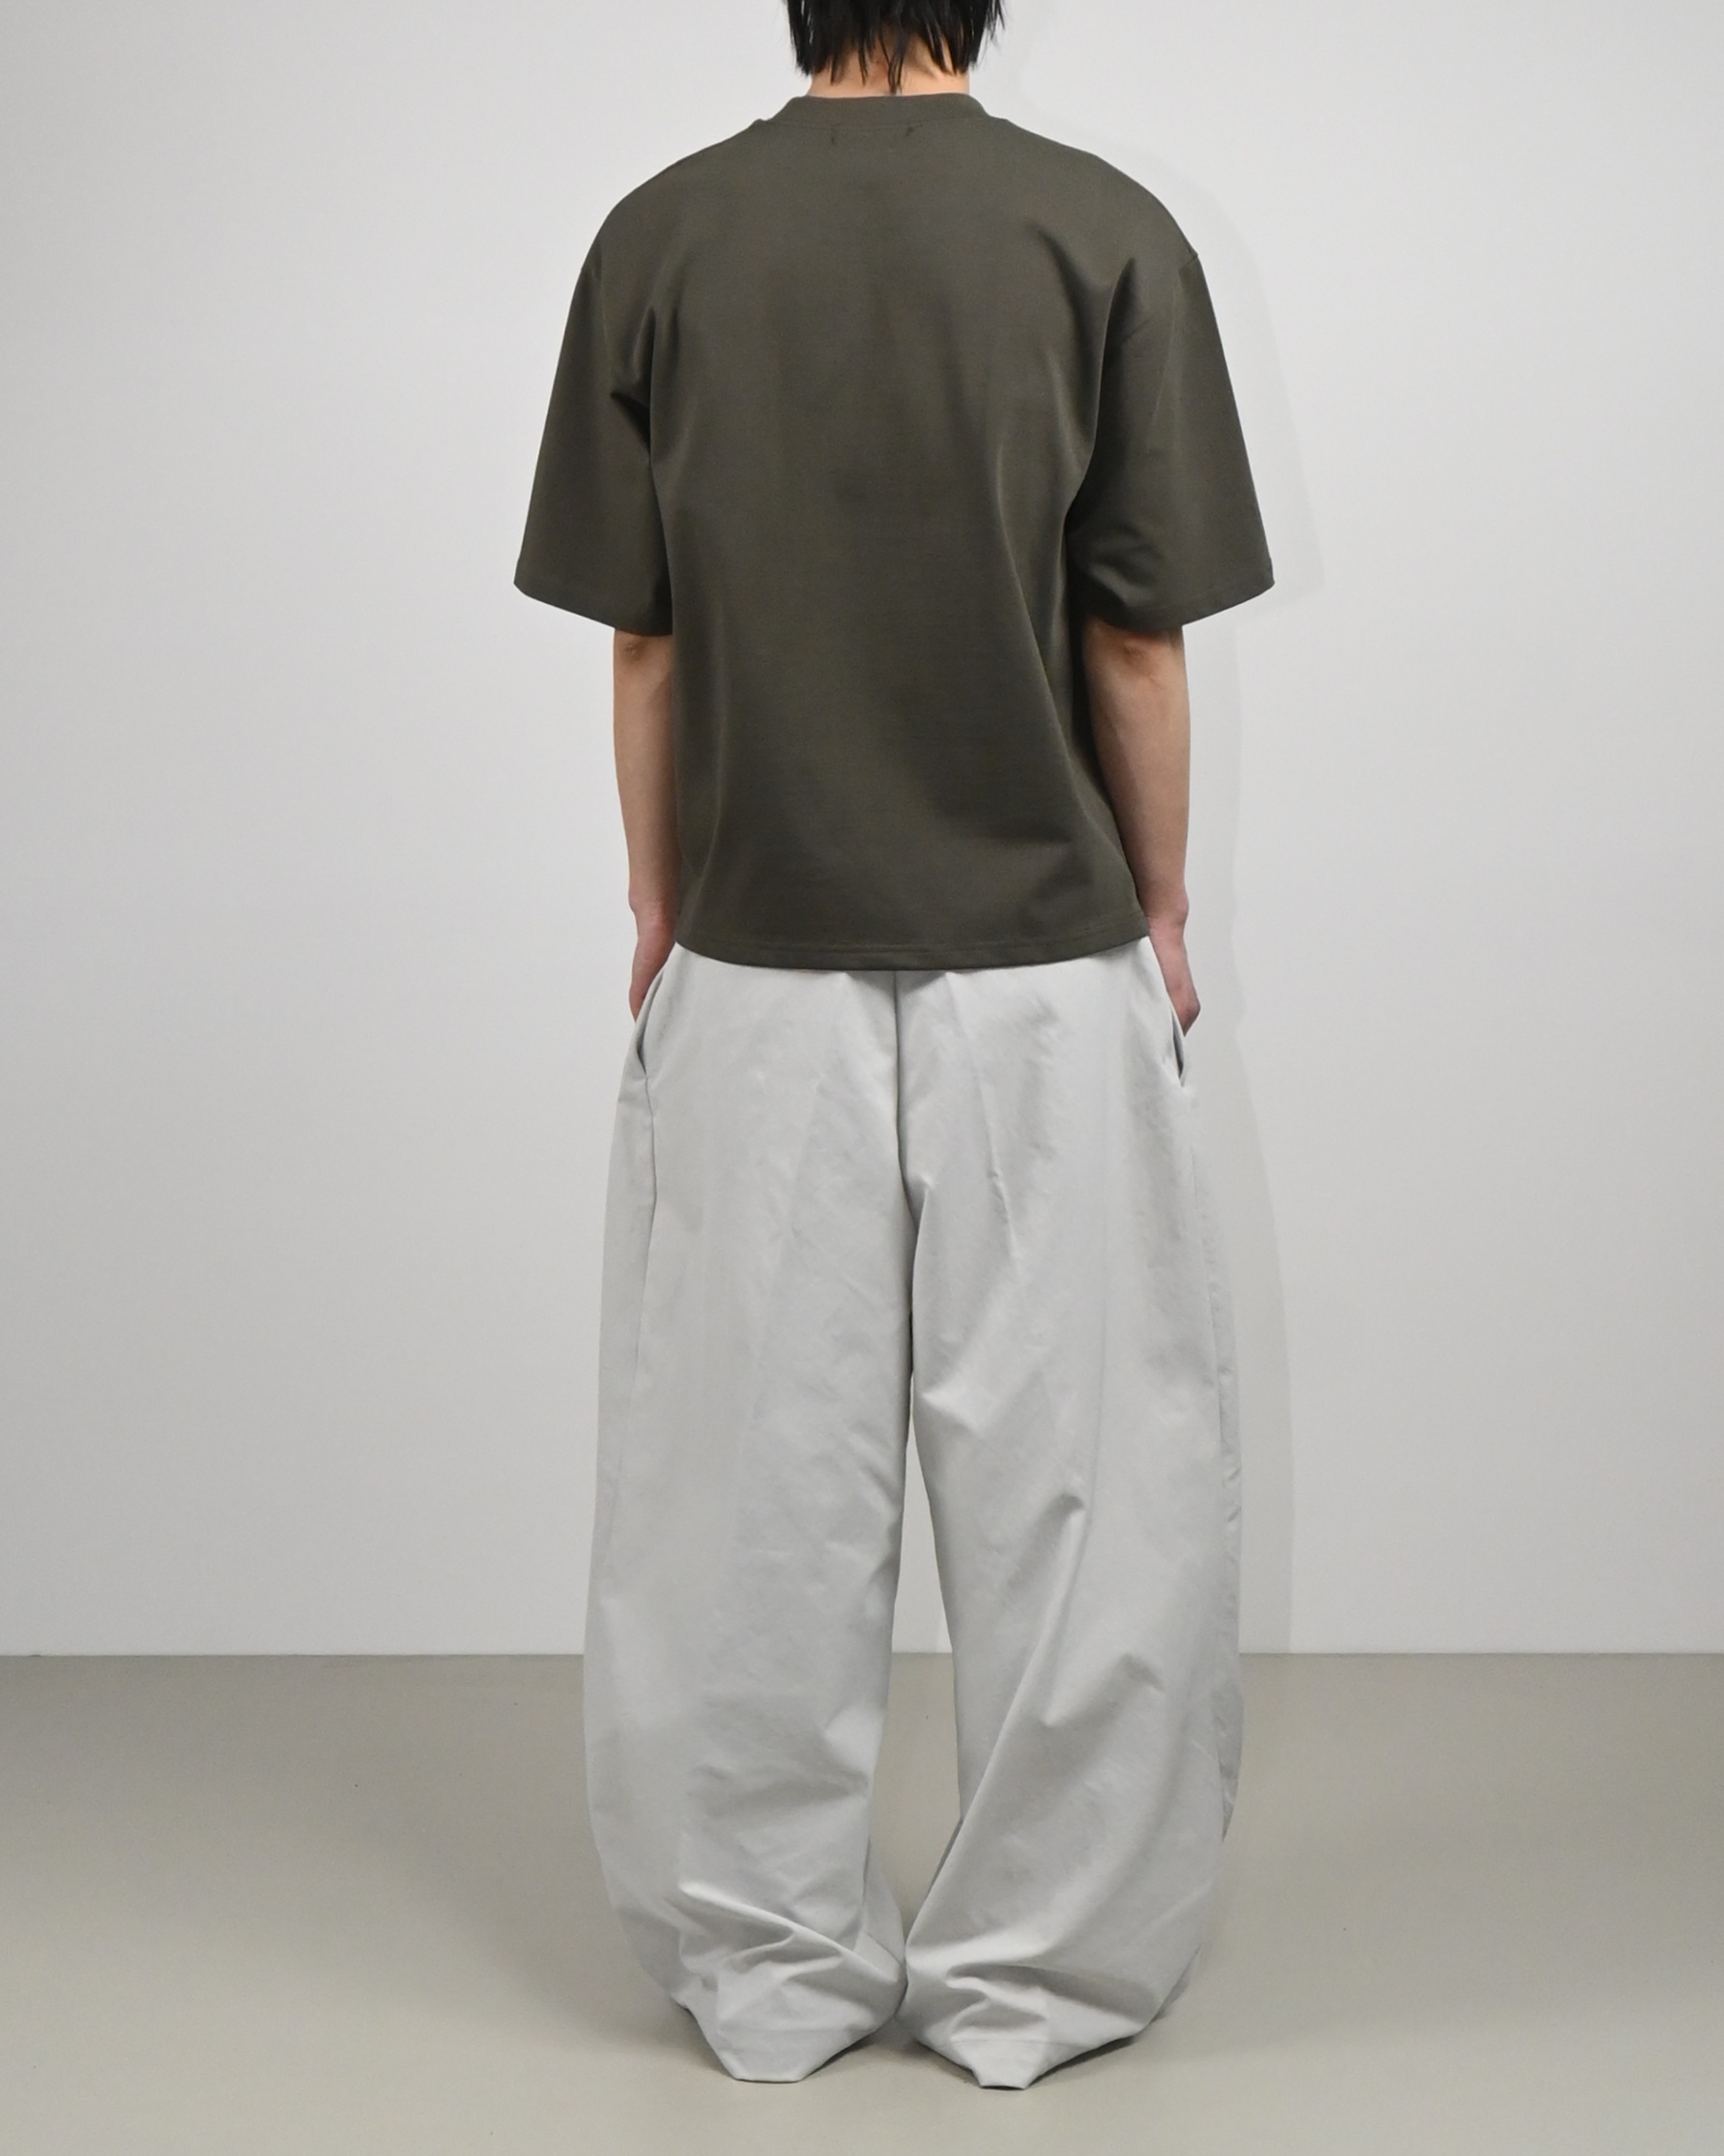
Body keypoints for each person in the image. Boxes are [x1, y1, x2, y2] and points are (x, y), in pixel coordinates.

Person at [514, 0, 1272, 2091]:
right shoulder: (1102, 234)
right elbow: (1134, 633)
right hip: (1043, 961)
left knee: (744, 1496)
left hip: (759, 955)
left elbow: (646, 638)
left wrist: (662, 900)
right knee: (1081, 1491)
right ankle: (1038, 1977)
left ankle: (766, 1970)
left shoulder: (661, 238)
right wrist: (1163, 901)